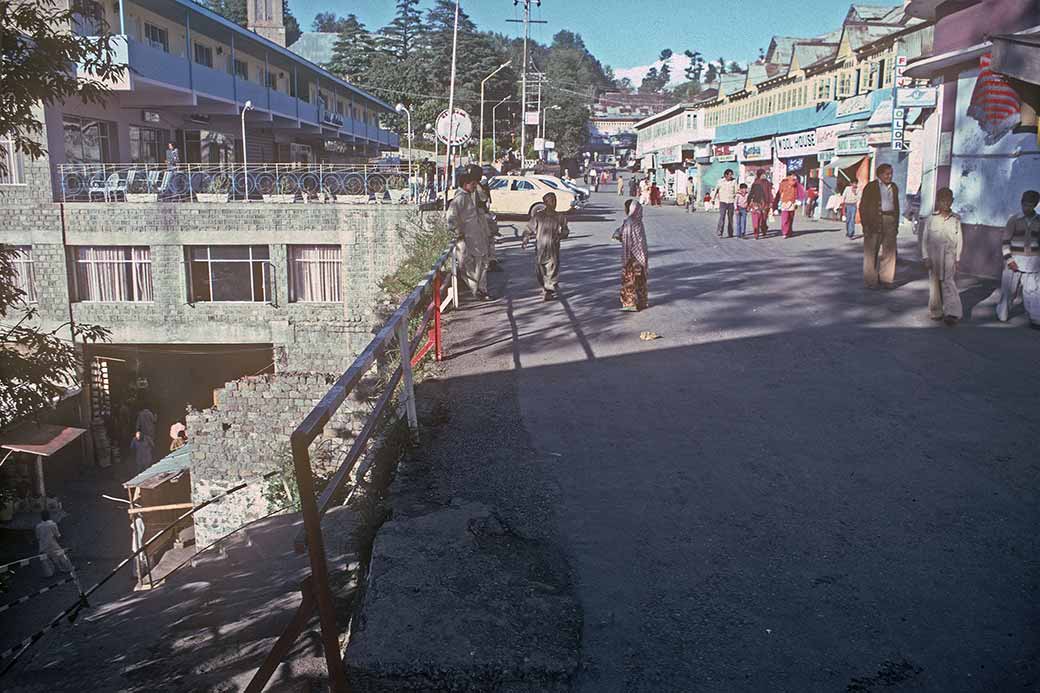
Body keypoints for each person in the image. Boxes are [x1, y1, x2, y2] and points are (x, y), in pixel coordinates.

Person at [996, 189, 1040, 328]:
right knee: (1009, 290)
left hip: (1033, 263)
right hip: (1014, 261)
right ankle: (1002, 313)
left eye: (1031, 205)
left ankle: (1035, 318)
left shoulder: (1039, 221)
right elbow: (1005, 242)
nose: (1027, 207)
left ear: (1036, 205)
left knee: (1032, 292)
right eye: (1025, 204)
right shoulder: (1014, 220)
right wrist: (1009, 260)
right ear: (1021, 203)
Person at [921, 187, 963, 326]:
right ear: (938, 202)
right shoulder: (931, 219)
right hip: (933, 256)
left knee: (949, 282)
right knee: (934, 283)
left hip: (949, 256)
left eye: (948, 201)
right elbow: (925, 239)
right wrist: (925, 257)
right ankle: (936, 311)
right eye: (942, 201)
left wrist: (958, 258)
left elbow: (960, 240)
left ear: (952, 201)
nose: (945, 204)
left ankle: (953, 312)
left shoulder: (956, 219)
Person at [446, 169, 491, 300]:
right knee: (467, 265)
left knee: (481, 264)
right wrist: (457, 232)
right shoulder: (460, 198)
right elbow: (450, 217)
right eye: (473, 184)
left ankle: (481, 289)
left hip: (477, 237)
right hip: (467, 238)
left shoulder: (468, 196)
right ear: (466, 184)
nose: (474, 186)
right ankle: (476, 289)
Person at [860, 163, 901, 289]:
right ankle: (871, 280)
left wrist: (896, 224)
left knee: (889, 251)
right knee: (871, 251)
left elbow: (897, 206)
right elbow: (863, 206)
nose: (890, 176)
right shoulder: (871, 187)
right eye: (887, 174)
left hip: (890, 219)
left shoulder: (894, 187)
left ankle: (886, 279)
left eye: (891, 173)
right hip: (874, 220)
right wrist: (865, 224)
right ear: (880, 174)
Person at [523, 192, 569, 301]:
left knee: (552, 268)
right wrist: (526, 238)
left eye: (555, 200)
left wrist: (562, 235)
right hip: (540, 247)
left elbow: (566, 230)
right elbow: (529, 228)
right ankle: (544, 285)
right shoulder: (539, 216)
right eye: (551, 201)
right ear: (545, 203)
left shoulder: (560, 216)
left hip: (553, 247)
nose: (554, 203)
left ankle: (549, 290)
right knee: (540, 269)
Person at [613, 199, 649, 312]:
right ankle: (642, 302)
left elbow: (626, 238)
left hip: (631, 255)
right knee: (640, 279)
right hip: (641, 256)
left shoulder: (629, 222)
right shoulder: (639, 222)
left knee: (630, 279)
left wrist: (618, 235)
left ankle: (630, 303)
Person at [36, 510, 73, 577]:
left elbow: (38, 537)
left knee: (45, 561)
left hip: (43, 546)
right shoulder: (52, 524)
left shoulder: (38, 526)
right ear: (49, 516)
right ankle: (68, 568)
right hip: (52, 545)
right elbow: (58, 535)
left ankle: (49, 574)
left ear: (41, 517)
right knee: (61, 556)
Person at [774, 170, 802, 239]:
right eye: (793, 175)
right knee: (790, 218)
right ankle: (788, 231)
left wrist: (776, 202)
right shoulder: (795, 183)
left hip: (785, 202)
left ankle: (785, 232)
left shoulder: (784, 183)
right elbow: (798, 193)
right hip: (791, 202)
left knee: (785, 218)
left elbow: (779, 193)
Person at [713, 169, 738, 238]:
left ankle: (730, 233)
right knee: (722, 217)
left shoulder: (734, 181)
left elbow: (736, 191)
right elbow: (716, 190)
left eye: (731, 175)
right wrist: (713, 199)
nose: (731, 176)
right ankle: (720, 232)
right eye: (729, 175)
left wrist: (736, 201)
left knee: (730, 218)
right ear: (725, 175)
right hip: (723, 202)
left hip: (731, 202)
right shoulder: (720, 181)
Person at [748, 169, 773, 239]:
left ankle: (764, 229)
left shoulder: (767, 182)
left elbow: (770, 193)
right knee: (756, 218)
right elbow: (751, 193)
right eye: (762, 174)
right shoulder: (755, 183)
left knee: (764, 219)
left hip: (766, 203)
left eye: (764, 174)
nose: (764, 175)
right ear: (759, 175)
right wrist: (749, 203)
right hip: (757, 203)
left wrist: (771, 202)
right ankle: (756, 234)